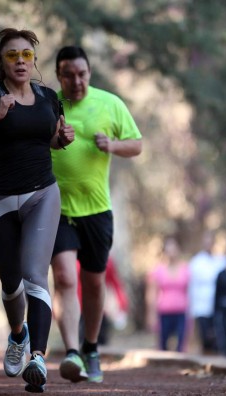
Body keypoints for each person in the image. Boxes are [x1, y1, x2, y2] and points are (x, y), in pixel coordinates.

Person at [0, 28, 74, 393]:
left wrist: (61, 140)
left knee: (34, 274)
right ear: (2, 62)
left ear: (34, 59)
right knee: (10, 284)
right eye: (12, 55)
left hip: (42, 194)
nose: (20, 61)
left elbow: (50, 138)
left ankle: (37, 357)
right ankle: (18, 335)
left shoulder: (49, 97)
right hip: (1, 199)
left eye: (26, 55)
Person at [50, 46, 142, 384]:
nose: (76, 81)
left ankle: (90, 347)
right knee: (64, 277)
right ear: (59, 76)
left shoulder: (110, 104)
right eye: (68, 75)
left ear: (89, 73)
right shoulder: (51, 104)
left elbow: (136, 144)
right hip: (57, 209)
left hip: (97, 210)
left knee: (94, 282)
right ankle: (72, 351)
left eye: (82, 74)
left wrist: (112, 145)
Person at [146, 237, 190, 352]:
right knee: (163, 345)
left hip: (181, 312)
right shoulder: (158, 270)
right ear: (164, 251)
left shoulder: (185, 268)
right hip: (164, 313)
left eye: (174, 248)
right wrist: (151, 314)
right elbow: (152, 293)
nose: (171, 252)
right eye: (168, 249)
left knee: (181, 345)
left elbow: (189, 292)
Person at [188, 230, 226, 354]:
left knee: (218, 337)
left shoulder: (221, 260)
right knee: (206, 336)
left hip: (218, 305)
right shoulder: (196, 262)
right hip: (202, 305)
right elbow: (192, 286)